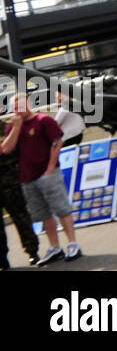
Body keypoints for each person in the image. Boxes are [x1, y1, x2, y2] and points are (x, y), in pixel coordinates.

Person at [0, 93, 81, 265]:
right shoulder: (14, 126)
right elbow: (6, 149)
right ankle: (55, 247)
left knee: (62, 209)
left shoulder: (44, 120)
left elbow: (57, 142)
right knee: (44, 213)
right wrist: (16, 127)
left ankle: (73, 244)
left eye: (20, 106)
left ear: (28, 104)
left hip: (48, 174)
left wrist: (51, 167)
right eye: (15, 108)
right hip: (27, 178)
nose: (18, 110)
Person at [0, 120, 41, 269]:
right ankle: (2, 259)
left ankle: (32, 251)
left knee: (21, 217)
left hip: (10, 180)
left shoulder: (7, 127)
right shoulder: (11, 128)